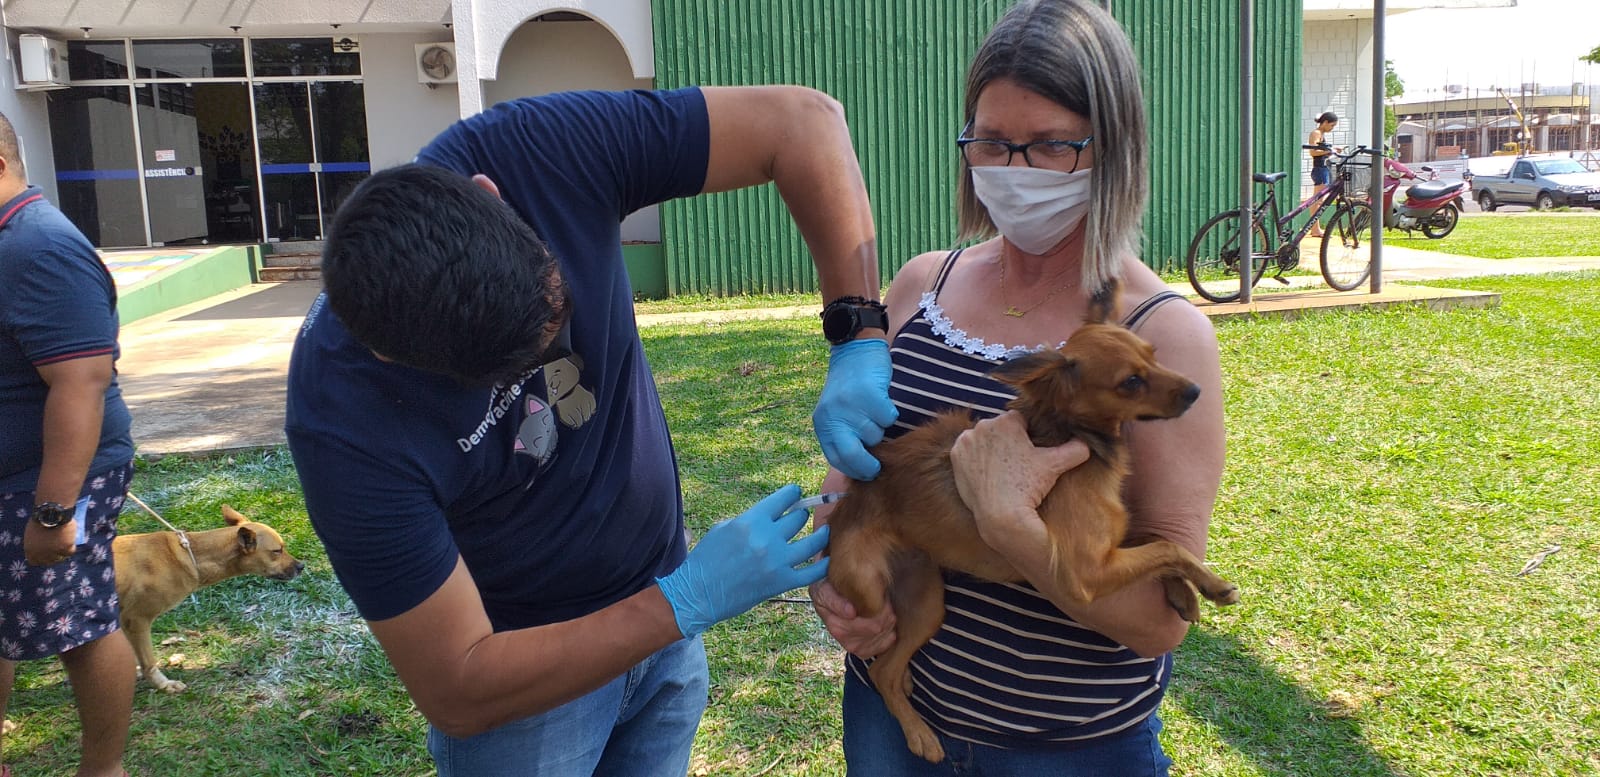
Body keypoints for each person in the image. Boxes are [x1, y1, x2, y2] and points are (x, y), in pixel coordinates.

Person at [283, 85, 896, 777]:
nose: (557, 353)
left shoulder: (537, 152)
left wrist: (857, 333)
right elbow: (457, 687)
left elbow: (802, 123)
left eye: (557, 307)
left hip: (662, 614)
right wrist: (685, 600)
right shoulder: (344, 422)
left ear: (491, 195)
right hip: (528, 681)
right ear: (393, 357)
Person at [807, 1, 1226, 773]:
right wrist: (831, 589)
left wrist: (1013, 527)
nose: (1014, 169)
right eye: (992, 142)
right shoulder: (919, 286)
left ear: (1113, 148)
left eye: (1052, 145)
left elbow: (1161, 624)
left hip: (1064, 750)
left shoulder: (1163, 336)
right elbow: (852, 482)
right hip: (889, 719)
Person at [0, 110, 137, 777]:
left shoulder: (38, 247)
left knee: (78, 626)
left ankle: (103, 769)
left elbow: (81, 383)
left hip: (44, 481)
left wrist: (52, 512)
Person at [1304, 111, 1340, 237]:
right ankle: (1315, 229)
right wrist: (1330, 151)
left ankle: (1315, 228)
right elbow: (1313, 152)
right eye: (1332, 125)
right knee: (1317, 201)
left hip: (1323, 168)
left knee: (1319, 200)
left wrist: (1331, 150)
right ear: (1325, 122)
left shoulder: (1321, 134)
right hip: (1320, 169)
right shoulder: (1316, 133)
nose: (1332, 128)